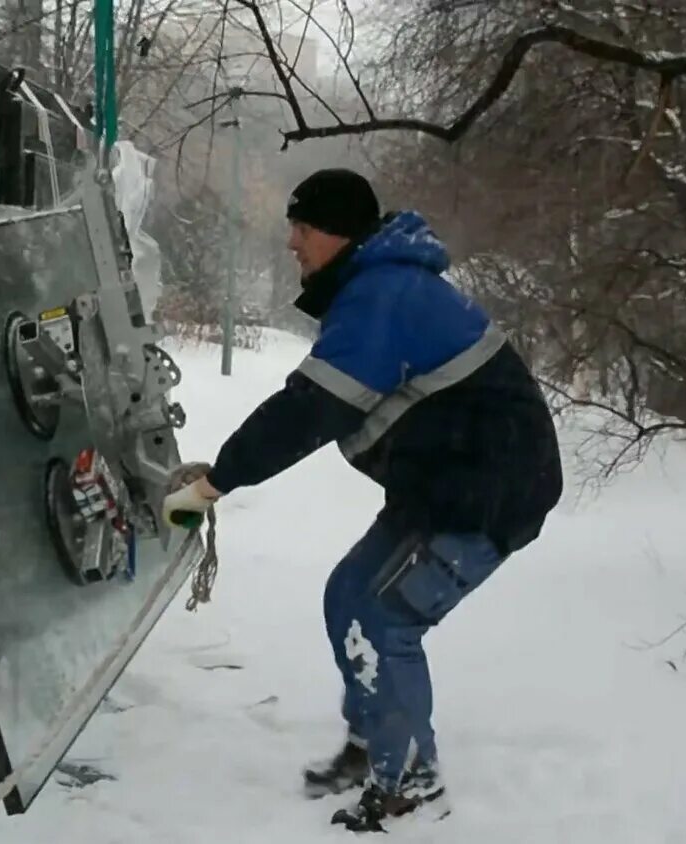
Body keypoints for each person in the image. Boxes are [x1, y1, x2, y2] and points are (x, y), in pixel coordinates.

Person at [162, 169, 563, 833]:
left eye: (304, 228)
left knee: (382, 615)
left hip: (486, 491)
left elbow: (308, 411)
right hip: (447, 482)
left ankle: (407, 785)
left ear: (340, 233)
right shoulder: (380, 286)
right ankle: (374, 745)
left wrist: (213, 485)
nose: (293, 242)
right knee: (351, 593)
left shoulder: (383, 297)